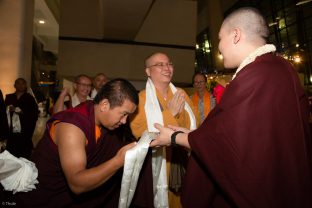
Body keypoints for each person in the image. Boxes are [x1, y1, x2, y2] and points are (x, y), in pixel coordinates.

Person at [150, 7, 312, 208]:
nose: (218, 47)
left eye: (219, 38)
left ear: (236, 35)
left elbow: (228, 143)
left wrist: (174, 138)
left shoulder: (254, 76)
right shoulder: (282, 68)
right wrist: (194, 134)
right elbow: (254, 136)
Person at [16, 78, 141, 207]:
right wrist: (118, 161)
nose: (124, 121)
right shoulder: (72, 127)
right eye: (123, 114)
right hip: (43, 198)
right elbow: (77, 184)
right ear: (104, 105)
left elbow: (119, 145)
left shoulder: (97, 116)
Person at [130, 52, 197, 208]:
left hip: (182, 159)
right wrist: (170, 114)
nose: (167, 68)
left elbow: (195, 125)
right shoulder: (141, 99)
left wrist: (176, 116)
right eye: (160, 65)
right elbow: (140, 132)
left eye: (169, 64)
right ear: (148, 71)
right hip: (156, 163)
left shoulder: (181, 94)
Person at [4, 78, 38, 159]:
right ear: (14, 85)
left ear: (25, 85)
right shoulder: (9, 97)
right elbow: (3, 113)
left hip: (24, 131)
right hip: (11, 131)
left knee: (23, 155)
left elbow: (34, 114)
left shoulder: (30, 98)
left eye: (23, 83)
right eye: (18, 83)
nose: (21, 85)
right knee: (10, 155)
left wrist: (21, 112)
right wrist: (8, 109)